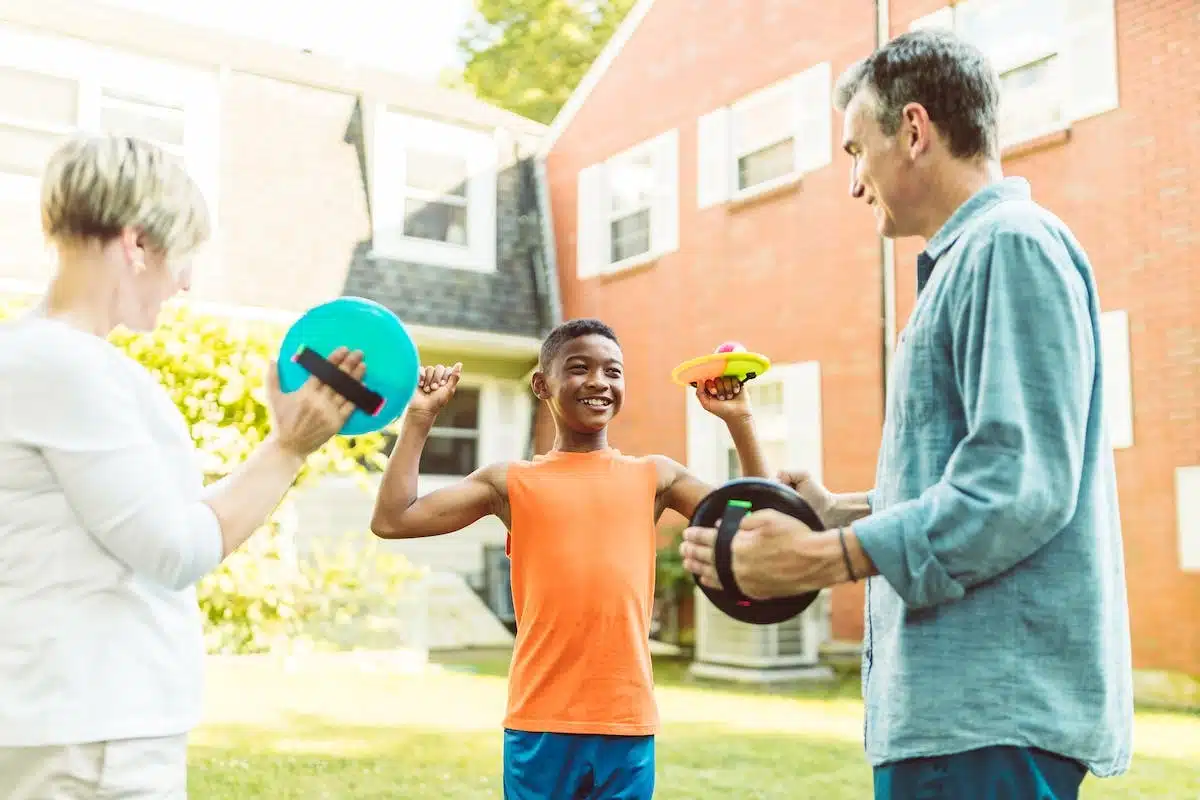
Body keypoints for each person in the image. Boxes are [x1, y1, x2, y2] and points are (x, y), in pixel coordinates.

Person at [679, 28, 1134, 800]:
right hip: (958, 721)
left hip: (991, 719)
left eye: (857, 150)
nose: (855, 182)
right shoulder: (971, 261)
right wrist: (839, 511)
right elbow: (977, 477)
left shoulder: (1008, 246)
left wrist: (830, 557)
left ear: (915, 131)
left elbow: (1017, 486)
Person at [0, 134, 366, 798]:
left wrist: (282, 448)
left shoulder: (41, 358)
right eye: (185, 255)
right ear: (138, 244)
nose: (188, 281)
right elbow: (173, 548)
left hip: (77, 725)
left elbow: (162, 524)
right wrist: (286, 452)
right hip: (93, 737)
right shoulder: (65, 366)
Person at [370, 318, 769, 799]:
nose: (599, 382)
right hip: (539, 721)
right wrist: (419, 420)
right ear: (542, 384)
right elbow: (394, 519)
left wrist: (740, 422)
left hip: (625, 720)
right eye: (579, 368)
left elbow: (759, 524)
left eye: (614, 372)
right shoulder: (508, 482)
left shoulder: (656, 477)